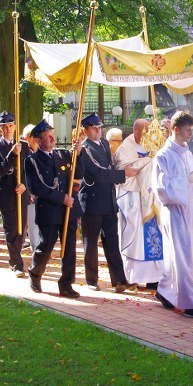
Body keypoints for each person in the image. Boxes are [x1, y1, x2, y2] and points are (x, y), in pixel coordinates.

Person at [152, 110, 193, 319]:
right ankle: (190, 304)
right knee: (183, 257)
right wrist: (187, 179)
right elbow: (161, 189)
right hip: (174, 210)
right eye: (187, 130)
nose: (190, 134)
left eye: (191, 130)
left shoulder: (187, 153)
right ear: (175, 129)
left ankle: (164, 290)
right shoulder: (163, 156)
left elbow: (192, 184)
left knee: (176, 255)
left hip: (188, 209)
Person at [78, 112, 138, 292]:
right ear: (85, 130)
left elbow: (110, 166)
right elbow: (98, 173)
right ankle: (91, 280)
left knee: (112, 241)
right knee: (90, 244)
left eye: (99, 127)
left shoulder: (104, 144)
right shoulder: (84, 149)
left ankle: (119, 280)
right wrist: (123, 174)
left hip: (108, 201)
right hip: (92, 202)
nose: (98, 131)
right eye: (94, 128)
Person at [24, 119, 83, 298]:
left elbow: (79, 174)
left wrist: (78, 154)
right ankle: (35, 273)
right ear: (38, 140)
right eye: (47, 136)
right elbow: (36, 188)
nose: (52, 138)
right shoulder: (32, 161)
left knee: (70, 248)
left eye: (52, 135)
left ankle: (66, 284)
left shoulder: (63, 155)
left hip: (68, 210)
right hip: (49, 211)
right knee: (46, 245)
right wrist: (61, 198)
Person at [114, 118, 164, 286]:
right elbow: (122, 171)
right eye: (145, 131)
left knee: (153, 237)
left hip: (150, 200)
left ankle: (154, 278)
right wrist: (147, 161)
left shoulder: (152, 146)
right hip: (132, 200)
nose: (149, 135)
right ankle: (133, 277)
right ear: (136, 131)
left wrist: (150, 160)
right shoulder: (125, 149)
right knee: (136, 240)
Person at [0, 112, 30, 276]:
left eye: (10, 126)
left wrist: (25, 184)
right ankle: (17, 264)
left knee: (21, 229)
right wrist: (12, 154)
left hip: (21, 192)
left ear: (15, 127)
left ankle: (14, 259)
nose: (8, 129)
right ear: (0, 129)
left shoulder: (24, 145)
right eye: (4, 127)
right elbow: (0, 170)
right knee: (11, 229)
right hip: (6, 194)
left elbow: (30, 169)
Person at [20, 124, 41, 252]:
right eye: (32, 137)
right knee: (33, 224)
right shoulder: (25, 154)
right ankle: (36, 250)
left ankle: (41, 248)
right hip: (30, 194)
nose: (35, 139)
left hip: (42, 194)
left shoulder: (42, 152)